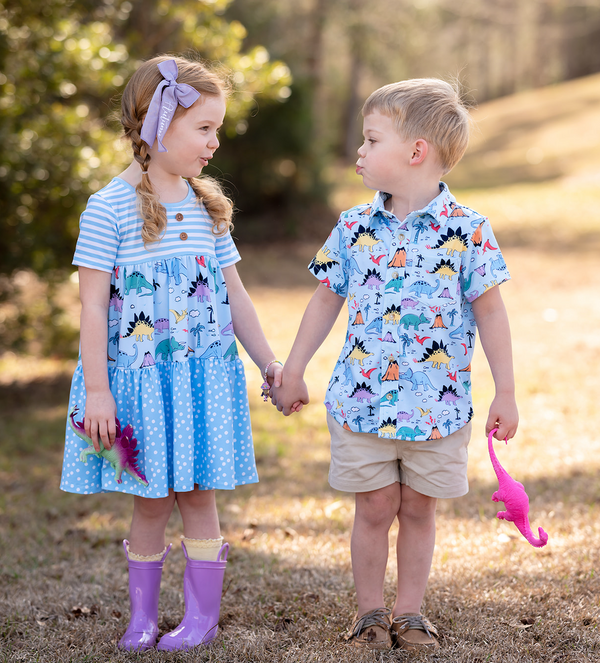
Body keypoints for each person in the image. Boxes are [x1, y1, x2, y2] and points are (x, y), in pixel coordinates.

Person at [270, 78, 519, 652]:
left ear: (416, 152)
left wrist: (506, 391)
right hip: (362, 399)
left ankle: (410, 614)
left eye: (370, 139)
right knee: (376, 504)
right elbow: (326, 298)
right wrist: (296, 367)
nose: (358, 151)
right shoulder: (354, 227)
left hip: (439, 405)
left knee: (418, 508)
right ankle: (370, 614)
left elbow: (492, 314)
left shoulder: (469, 231)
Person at [60, 55, 283, 652]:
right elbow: (91, 309)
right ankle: (142, 619)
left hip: (202, 380)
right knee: (151, 502)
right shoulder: (108, 208)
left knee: (199, 497)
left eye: (217, 130)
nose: (214, 143)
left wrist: (268, 363)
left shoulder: (208, 208)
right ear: (156, 124)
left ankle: (200, 619)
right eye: (203, 129)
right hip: (141, 381)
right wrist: (99, 391)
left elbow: (236, 298)